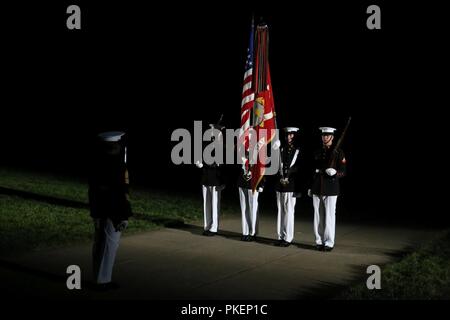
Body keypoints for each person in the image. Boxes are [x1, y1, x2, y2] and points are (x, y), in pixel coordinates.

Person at [88, 131, 132, 289]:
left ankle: (100, 278)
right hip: (113, 211)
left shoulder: (98, 161)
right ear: (115, 146)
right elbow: (119, 192)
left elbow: (95, 191)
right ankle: (102, 280)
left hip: (100, 209)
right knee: (108, 245)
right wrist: (123, 215)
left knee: (100, 244)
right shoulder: (115, 165)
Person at [308, 127, 346, 252]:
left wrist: (335, 173)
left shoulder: (338, 152)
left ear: (332, 137)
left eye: (328, 135)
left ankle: (329, 242)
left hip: (331, 187)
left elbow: (343, 171)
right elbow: (311, 170)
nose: (325, 137)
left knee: (329, 216)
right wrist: (310, 186)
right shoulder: (317, 151)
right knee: (318, 216)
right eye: (323, 135)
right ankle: (319, 241)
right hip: (317, 186)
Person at [195, 122, 226, 236]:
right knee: (206, 203)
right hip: (206, 177)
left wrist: (223, 181)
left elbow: (222, 165)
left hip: (216, 179)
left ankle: (214, 228)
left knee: (214, 203)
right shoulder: (206, 144)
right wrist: (199, 163)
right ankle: (207, 225)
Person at [275, 127, 301, 247]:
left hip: (291, 185)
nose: (289, 137)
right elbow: (274, 165)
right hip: (280, 184)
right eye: (287, 135)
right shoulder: (281, 149)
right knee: (280, 211)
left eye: (292, 135)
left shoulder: (298, 150)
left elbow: (300, 169)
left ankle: (288, 238)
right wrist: (273, 149)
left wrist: (298, 189)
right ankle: (280, 236)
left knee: (289, 212)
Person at [238, 167, 265, 242]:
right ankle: (245, 232)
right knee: (244, 209)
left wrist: (261, 183)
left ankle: (253, 233)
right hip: (242, 181)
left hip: (254, 182)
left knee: (253, 209)